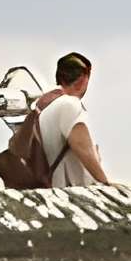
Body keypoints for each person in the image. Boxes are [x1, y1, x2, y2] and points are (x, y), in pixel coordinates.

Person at [36, 52, 109, 188]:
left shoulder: (46, 107)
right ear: (83, 79)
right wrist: (105, 183)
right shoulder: (69, 104)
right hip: (69, 191)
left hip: (51, 189)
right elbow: (80, 146)